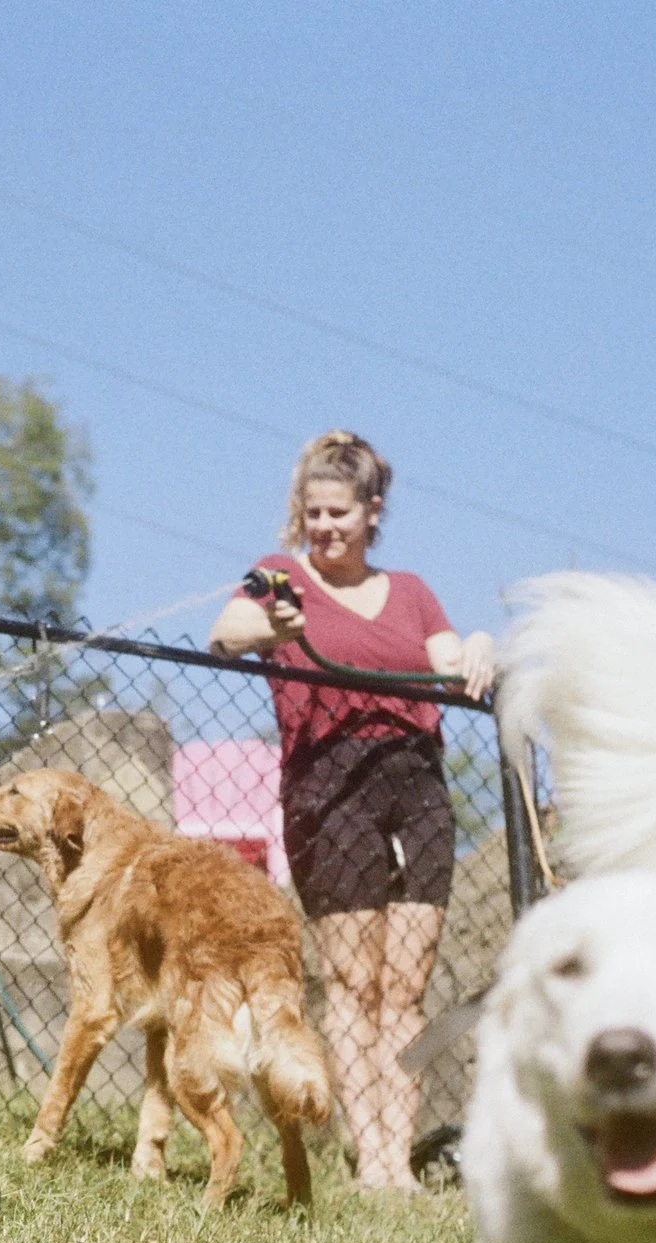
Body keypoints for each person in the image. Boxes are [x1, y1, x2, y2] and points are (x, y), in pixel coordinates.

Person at [207, 430, 494, 1192]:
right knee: (352, 981)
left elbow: (447, 658)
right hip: (327, 785)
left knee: (404, 985)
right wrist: (278, 625)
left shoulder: (412, 590)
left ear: (374, 512)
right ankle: (369, 1158)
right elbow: (225, 632)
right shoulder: (277, 576)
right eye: (314, 513)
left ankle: (396, 1163)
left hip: (416, 781)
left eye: (340, 514)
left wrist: (482, 645)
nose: (325, 528)